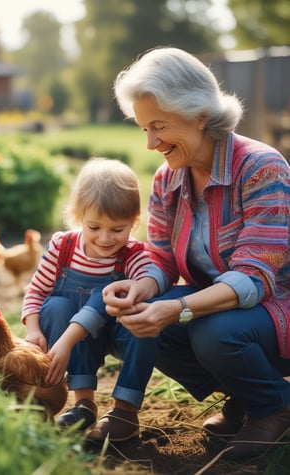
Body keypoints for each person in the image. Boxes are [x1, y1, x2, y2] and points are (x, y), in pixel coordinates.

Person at [103, 46, 290, 458]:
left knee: (212, 331)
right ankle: (243, 394)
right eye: (143, 129)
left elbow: (256, 277)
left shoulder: (261, 167)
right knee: (131, 323)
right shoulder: (168, 179)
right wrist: (141, 289)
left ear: (200, 115)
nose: (151, 143)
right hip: (226, 312)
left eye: (159, 126)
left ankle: (274, 406)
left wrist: (178, 308)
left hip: (277, 307)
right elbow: (162, 259)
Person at [21, 157, 166, 441]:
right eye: (94, 227)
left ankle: (125, 409)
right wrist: (33, 330)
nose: (105, 238)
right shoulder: (62, 247)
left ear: (134, 222)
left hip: (115, 331)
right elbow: (36, 291)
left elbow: (143, 284)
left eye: (117, 229)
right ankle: (84, 402)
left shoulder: (133, 255)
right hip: (78, 339)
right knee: (55, 306)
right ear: (78, 217)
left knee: (144, 321)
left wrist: (140, 287)